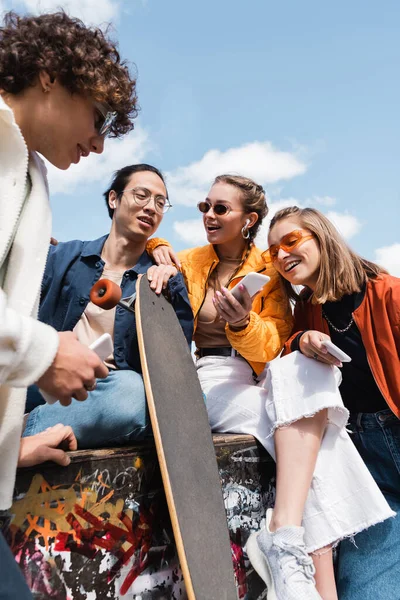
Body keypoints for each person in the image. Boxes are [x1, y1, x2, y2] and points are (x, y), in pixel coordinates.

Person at [147, 174, 394, 600]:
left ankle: (288, 544)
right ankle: (295, 554)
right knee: (307, 436)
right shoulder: (186, 263)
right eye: (204, 206)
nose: (208, 214)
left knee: (306, 426)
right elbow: (139, 247)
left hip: (359, 422)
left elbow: (273, 348)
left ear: (248, 220)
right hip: (211, 380)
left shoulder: (272, 275)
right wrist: (156, 250)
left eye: (221, 208)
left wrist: (246, 324)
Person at [0, 10, 137, 598]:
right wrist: (45, 349)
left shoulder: (30, 172)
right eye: (100, 116)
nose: (101, 142)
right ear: (51, 75)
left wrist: (14, 446)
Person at [267, 206, 400, 600]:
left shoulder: (389, 293)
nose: (282, 255)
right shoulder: (308, 308)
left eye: (291, 240)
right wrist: (301, 341)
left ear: (322, 237)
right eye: (273, 251)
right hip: (363, 457)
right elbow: (284, 362)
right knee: (365, 589)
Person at [23, 164, 193, 447]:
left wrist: (165, 298)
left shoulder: (164, 281)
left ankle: (26, 432)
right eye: (141, 195)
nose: (151, 207)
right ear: (114, 199)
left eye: (160, 203)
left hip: (108, 393)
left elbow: (174, 369)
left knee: (134, 395)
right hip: (47, 380)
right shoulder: (63, 256)